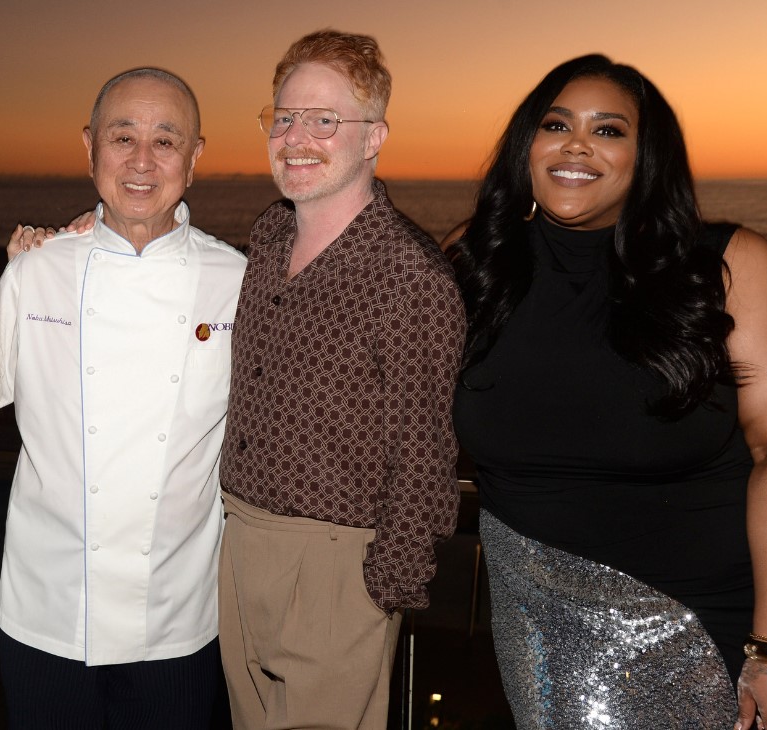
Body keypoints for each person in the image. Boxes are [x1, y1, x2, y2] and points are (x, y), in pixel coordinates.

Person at [444, 54, 767, 729]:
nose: (576, 145)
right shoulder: (476, 262)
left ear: (648, 159)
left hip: (704, 630)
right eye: (557, 125)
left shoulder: (731, 267)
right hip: (538, 630)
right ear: (527, 144)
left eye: (608, 131)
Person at [217, 30, 465, 729]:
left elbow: (424, 455)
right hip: (237, 545)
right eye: (284, 117)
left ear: (374, 137)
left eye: (325, 120)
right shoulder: (268, 237)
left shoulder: (409, 277)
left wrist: (379, 591)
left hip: (337, 568)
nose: (296, 137)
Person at [0, 67, 246, 728]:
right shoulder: (34, 271)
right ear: (89, 147)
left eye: (166, 141)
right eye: (122, 137)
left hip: (178, 621)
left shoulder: (237, 282)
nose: (141, 161)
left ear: (195, 157)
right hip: (46, 611)